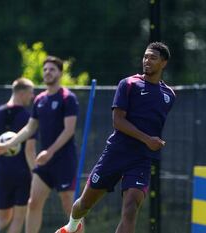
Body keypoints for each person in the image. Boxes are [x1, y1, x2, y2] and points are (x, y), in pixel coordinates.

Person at [55, 42, 175, 233]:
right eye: (145, 56)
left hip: (141, 160)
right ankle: (71, 226)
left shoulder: (169, 95)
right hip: (116, 153)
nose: (147, 61)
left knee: (130, 208)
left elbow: (153, 124)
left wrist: (154, 142)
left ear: (164, 63)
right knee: (85, 204)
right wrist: (146, 139)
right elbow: (118, 121)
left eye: (153, 57)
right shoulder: (128, 84)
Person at [0, 56, 80, 233]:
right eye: (45, 69)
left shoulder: (68, 98)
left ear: (60, 73)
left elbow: (69, 130)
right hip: (45, 162)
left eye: (52, 69)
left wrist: (50, 152)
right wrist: (8, 144)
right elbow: (30, 128)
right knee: (33, 203)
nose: (47, 72)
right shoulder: (40, 100)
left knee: (71, 209)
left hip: (64, 161)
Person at [0, 77, 37, 233]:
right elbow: (29, 150)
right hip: (22, 173)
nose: (32, 97)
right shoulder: (29, 119)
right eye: (30, 93)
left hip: (2, 171)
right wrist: (35, 174)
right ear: (21, 93)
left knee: (2, 219)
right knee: (18, 218)